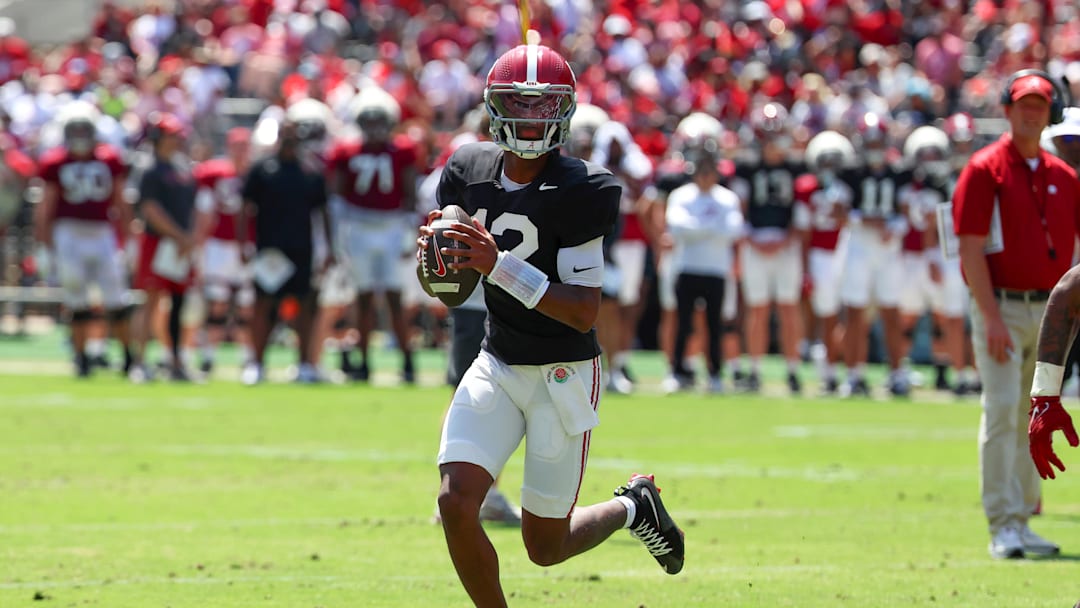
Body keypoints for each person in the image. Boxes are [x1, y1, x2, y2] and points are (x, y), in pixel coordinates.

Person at [418, 40, 684, 607]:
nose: (531, 117)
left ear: (565, 110)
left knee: (546, 545)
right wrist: (442, 255)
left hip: (562, 370)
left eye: (544, 106)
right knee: (454, 501)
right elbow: (450, 282)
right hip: (497, 360)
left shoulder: (585, 188)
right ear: (493, 107)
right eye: (518, 103)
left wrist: (497, 263)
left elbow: (583, 308)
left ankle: (634, 505)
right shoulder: (466, 168)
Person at [952, 69, 1080, 559]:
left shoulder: (1063, 176)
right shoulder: (985, 169)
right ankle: (1002, 521)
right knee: (1003, 409)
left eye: (1040, 104)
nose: (1031, 112)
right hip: (1003, 305)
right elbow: (969, 248)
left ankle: (1025, 517)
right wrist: (990, 315)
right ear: (1006, 109)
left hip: (1050, 312)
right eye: (1024, 103)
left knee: (1038, 411)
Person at [34, 101, 134, 377]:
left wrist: (127, 240)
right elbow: (46, 206)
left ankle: (128, 357)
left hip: (102, 231)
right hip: (68, 231)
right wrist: (45, 246)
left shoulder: (109, 159)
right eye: (74, 130)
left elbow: (121, 201)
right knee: (76, 298)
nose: (79, 137)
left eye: (83, 130)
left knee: (117, 298)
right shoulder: (55, 161)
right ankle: (81, 358)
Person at [327, 87, 418, 384]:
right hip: (360, 228)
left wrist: (409, 230)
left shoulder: (402, 150)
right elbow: (337, 198)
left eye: (380, 121)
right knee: (363, 299)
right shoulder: (346, 151)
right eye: (370, 121)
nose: (376, 128)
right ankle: (364, 361)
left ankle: (406, 361)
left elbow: (409, 195)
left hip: (391, 227)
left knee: (394, 298)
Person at [237, 117, 333, 385]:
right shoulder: (262, 168)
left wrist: (329, 249)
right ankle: (256, 362)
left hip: (301, 248)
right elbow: (245, 207)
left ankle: (304, 364)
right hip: (269, 250)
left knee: (303, 307)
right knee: (263, 305)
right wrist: (242, 242)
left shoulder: (311, 170)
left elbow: (323, 212)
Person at [730, 103, 808, 394]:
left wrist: (788, 237)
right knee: (758, 309)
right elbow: (740, 207)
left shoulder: (796, 166)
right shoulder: (747, 167)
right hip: (755, 240)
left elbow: (802, 208)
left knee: (789, 307)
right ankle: (755, 369)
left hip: (787, 242)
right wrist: (748, 238)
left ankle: (793, 370)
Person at [662, 148, 744, 393]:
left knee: (714, 325)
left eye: (710, 172)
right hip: (687, 266)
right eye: (702, 172)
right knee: (683, 323)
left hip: (716, 270)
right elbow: (677, 226)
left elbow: (733, 230)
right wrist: (711, 229)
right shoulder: (681, 196)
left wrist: (698, 229)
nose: (706, 177)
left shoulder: (728, 198)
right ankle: (677, 371)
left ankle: (715, 373)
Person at [130, 112, 199, 383]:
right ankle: (139, 361)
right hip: (158, 242)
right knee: (151, 300)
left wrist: (189, 237)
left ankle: (176, 359)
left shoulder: (181, 168)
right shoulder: (149, 167)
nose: (177, 140)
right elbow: (150, 209)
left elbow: (191, 208)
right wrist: (180, 236)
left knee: (180, 303)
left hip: (179, 243)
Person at [192, 126, 254, 377]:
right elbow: (203, 212)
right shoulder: (213, 173)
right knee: (216, 304)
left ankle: (248, 357)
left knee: (246, 306)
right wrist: (199, 243)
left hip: (248, 244)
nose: (240, 151)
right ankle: (208, 356)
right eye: (236, 146)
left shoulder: (256, 174)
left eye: (244, 146)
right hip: (218, 244)